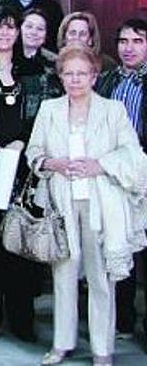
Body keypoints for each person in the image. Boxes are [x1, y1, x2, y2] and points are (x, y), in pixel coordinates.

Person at [25, 45, 147, 366]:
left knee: (99, 278)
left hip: (100, 205)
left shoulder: (113, 110)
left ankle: (101, 349)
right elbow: (33, 151)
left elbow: (133, 155)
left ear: (94, 76)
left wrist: (101, 165)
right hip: (61, 203)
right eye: (69, 73)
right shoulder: (50, 109)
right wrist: (53, 162)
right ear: (61, 76)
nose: (75, 79)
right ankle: (62, 344)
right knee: (63, 275)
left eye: (82, 73)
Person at [0, 5, 58, 345]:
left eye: (12, 28)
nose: (6, 34)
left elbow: (47, 117)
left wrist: (25, 140)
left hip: (24, 168)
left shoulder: (36, 70)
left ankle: (22, 319)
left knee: (21, 244)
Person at [95, 18, 147, 343]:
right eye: (124, 41)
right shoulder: (108, 79)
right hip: (113, 174)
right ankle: (123, 319)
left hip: (143, 171)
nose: (128, 48)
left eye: (137, 41)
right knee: (118, 245)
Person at [21, 7, 58, 73]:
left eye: (40, 29)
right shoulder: (6, 57)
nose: (34, 32)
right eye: (29, 26)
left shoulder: (55, 62)